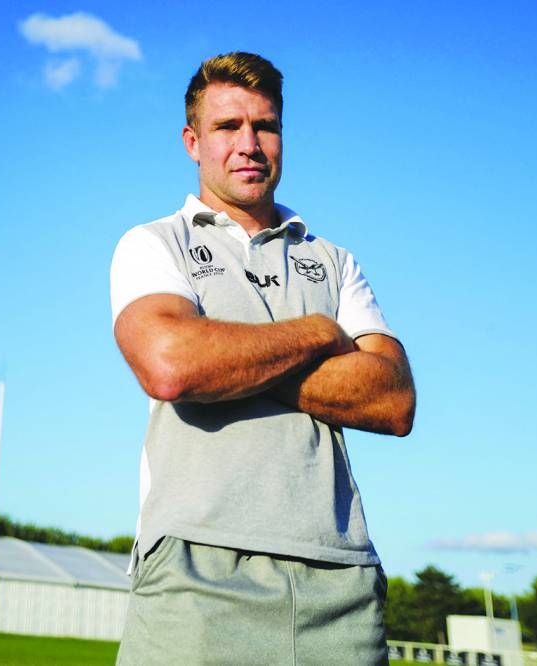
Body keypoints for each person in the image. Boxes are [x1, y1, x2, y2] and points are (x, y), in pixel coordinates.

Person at [109, 52, 416, 665]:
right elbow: (172, 364)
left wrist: (229, 356)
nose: (249, 144)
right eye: (227, 127)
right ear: (192, 141)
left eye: (266, 126)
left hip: (341, 577)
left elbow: (392, 398)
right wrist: (317, 331)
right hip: (197, 566)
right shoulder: (155, 243)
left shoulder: (333, 259)